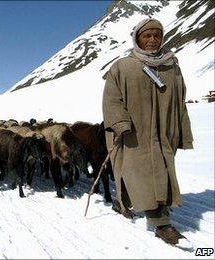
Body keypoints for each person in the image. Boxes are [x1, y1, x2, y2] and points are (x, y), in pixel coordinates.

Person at [102, 18, 193, 245]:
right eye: (147, 35)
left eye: (157, 35)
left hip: (165, 135)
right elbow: (111, 100)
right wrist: (121, 124)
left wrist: (182, 130)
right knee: (145, 175)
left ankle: (122, 201)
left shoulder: (171, 67)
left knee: (154, 173)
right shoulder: (122, 66)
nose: (152, 40)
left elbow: (180, 102)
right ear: (138, 38)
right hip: (134, 135)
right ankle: (162, 224)